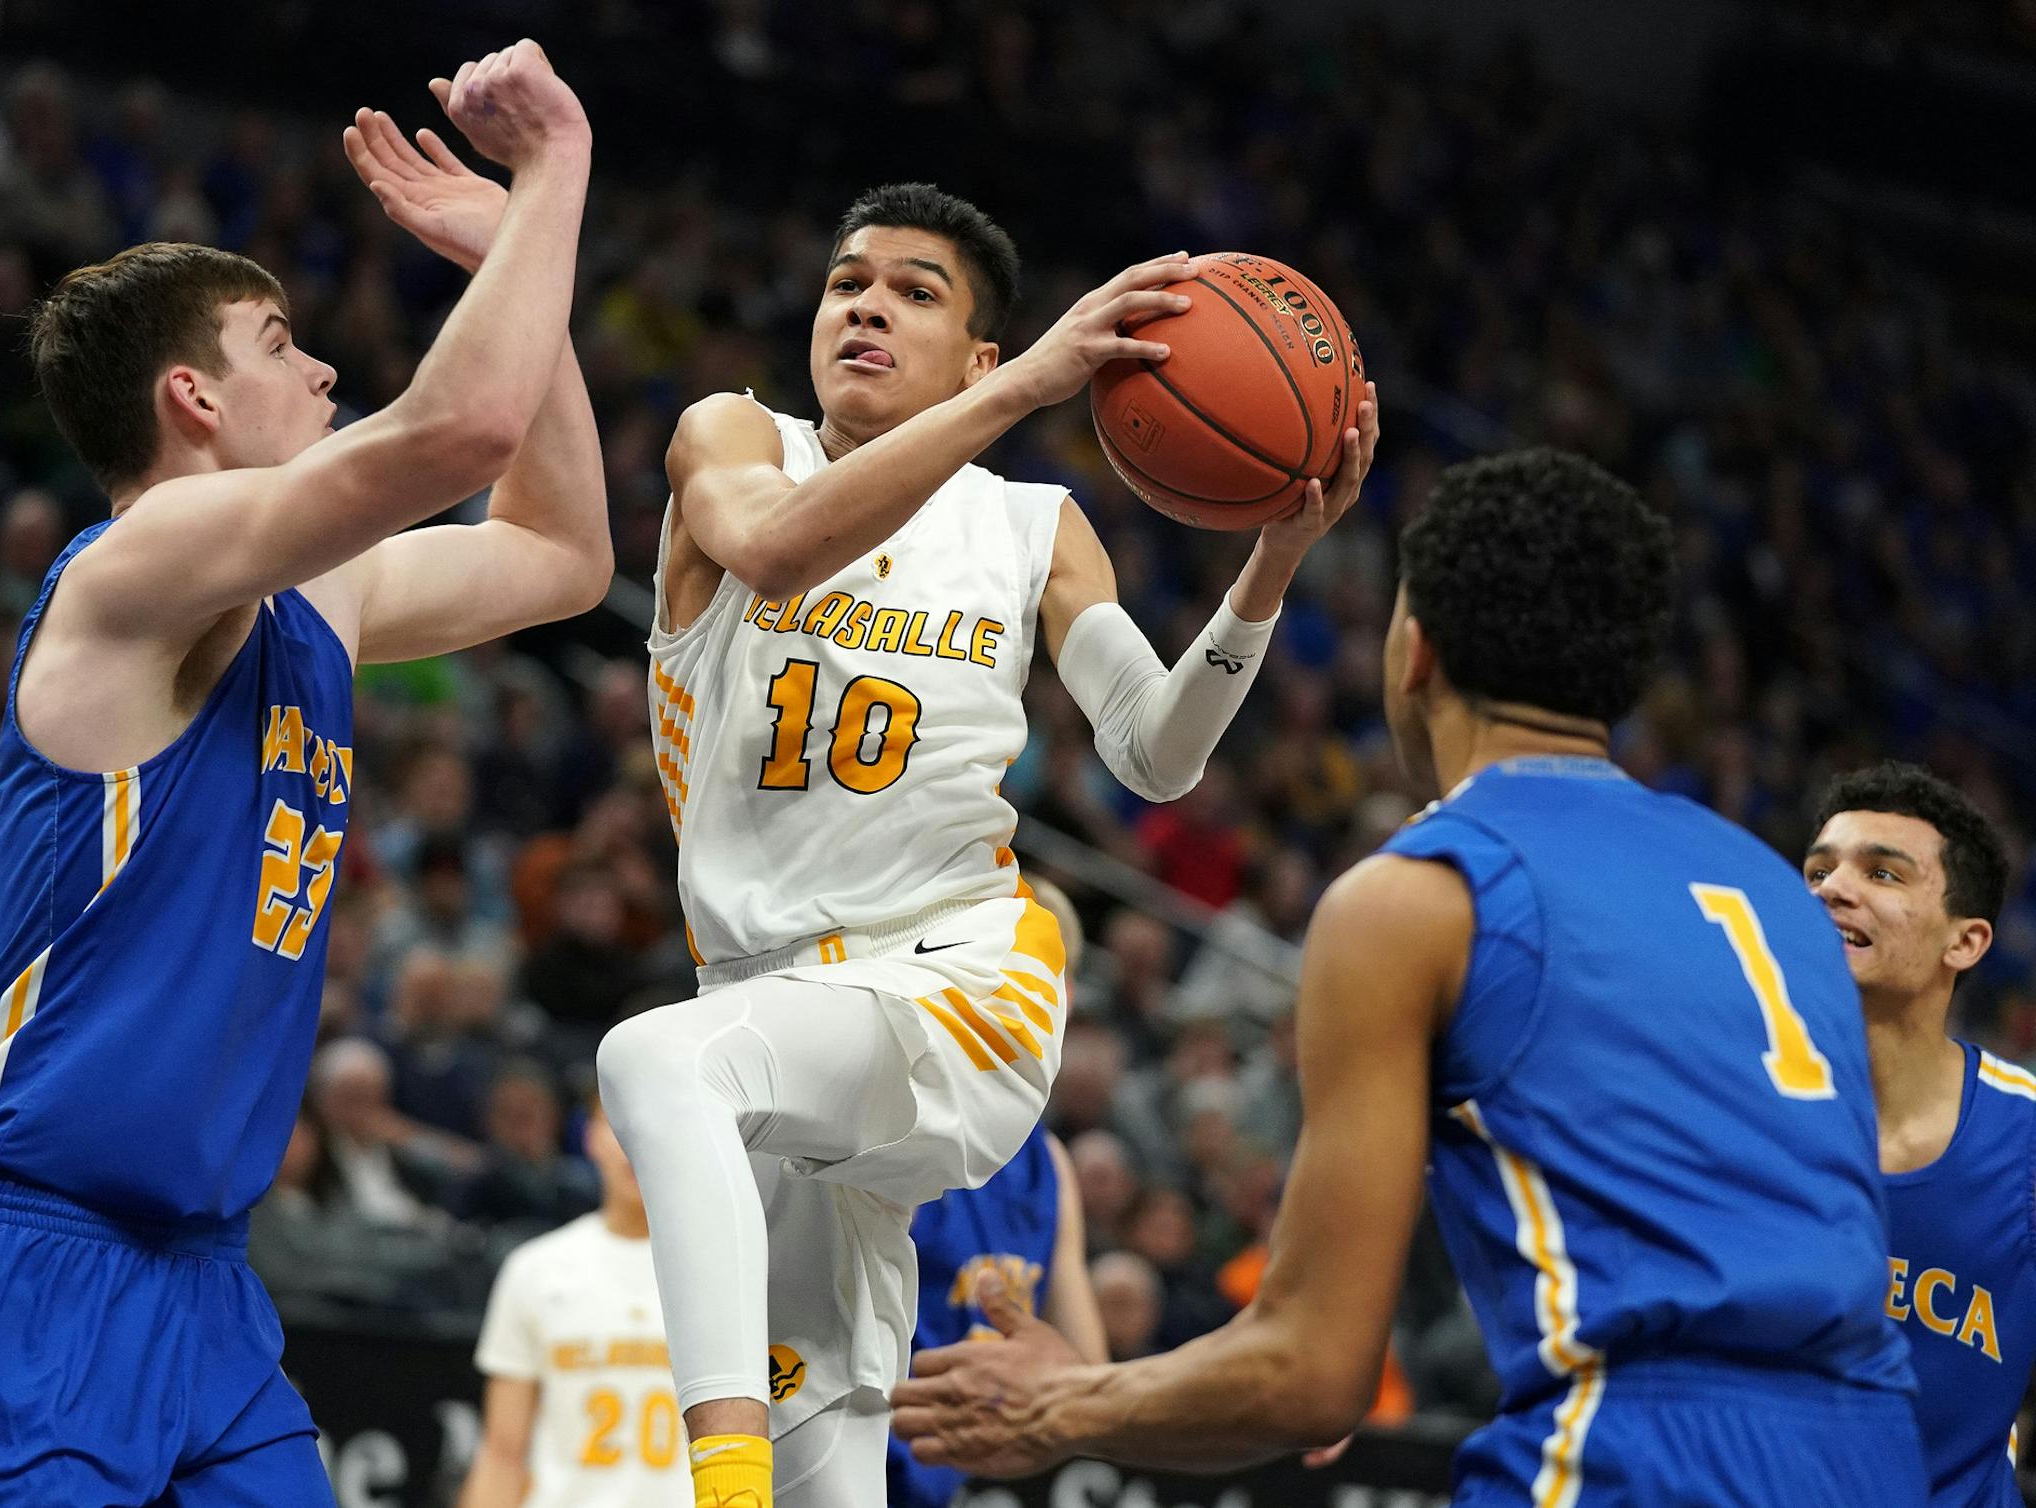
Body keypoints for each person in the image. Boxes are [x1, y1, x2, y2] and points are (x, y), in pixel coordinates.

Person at [891, 447, 1923, 1505]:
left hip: (1637, 1457)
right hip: (1885, 1454)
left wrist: (1061, 1401)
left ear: (1414, 648)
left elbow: (1311, 1373)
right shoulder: (1780, 896)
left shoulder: (1421, 894)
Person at [0, 43, 610, 1506]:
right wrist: (554, 174)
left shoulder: (316, 597)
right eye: (280, 343)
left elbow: (562, 557)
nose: (325, 363)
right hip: (35, 1250)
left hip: (207, 1283)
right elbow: (454, 430)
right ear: (192, 399)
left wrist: (509, 256)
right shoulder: (131, 570)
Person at [594, 180, 1378, 1508]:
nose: (867, 308)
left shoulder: (1031, 527)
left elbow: (1157, 750)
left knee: (649, 1063)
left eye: (916, 292)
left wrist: (1272, 564)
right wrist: (1020, 400)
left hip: (957, 974)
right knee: (822, 1463)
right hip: (774, 1017)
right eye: (849, 283)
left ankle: (711, 1489)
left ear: (982, 358)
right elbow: (776, 551)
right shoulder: (734, 440)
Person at [1806, 762, 2024, 1506]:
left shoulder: (2025, 1138)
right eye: (1818, 869)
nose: (1833, 888)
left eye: (1883, 874)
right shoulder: (1721, 1105)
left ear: (1964, 943)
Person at [890, 879, 1107, 1508]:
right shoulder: (897, 1110)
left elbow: (1087, 1371)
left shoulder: (1052, 1163)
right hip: (851, 1456)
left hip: (963, 1474)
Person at [460, 1094, 689, 1508]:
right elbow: (502, 1453)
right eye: (619, 1125)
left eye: (656, 1124)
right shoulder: (534, 1269)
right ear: (590, 1137)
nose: (635, 1144)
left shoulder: (729, 1274)